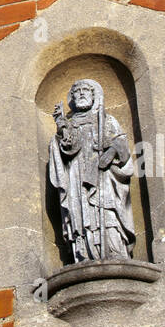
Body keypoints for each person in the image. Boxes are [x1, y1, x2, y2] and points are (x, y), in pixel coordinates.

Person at [48, 78, 135, 262]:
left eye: (85, 90)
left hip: (103, 176)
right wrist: (62, 128)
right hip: (77, 176)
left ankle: (114, 252)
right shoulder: (70, 123)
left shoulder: (107, 120)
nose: (80, 93)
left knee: (106, 210)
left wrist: (110, 153)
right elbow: (67, 149)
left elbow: (122, 145)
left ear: (93, 95)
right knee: (80, 214)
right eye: (77, 91)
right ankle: (84, 254)